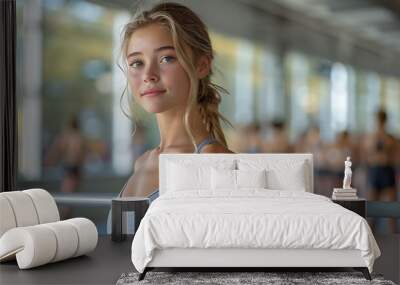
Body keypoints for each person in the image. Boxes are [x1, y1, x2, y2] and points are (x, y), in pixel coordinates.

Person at [119, 3, 234, 199]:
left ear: (202, 66)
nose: (148, 75)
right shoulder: (143, 161)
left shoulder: (217, 163)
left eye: (166, 58)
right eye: (137, 63)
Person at [362, 109, 399, 233]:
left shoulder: (390, 137)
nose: (379, 123)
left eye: (380, 121)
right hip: (375, 172)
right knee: (372, 212)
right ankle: (369, 240)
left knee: (391, 213)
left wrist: (384, 157)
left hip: (387, 172)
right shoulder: (372, 136)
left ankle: (394, 241)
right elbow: (367, 155)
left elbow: (394, 155)